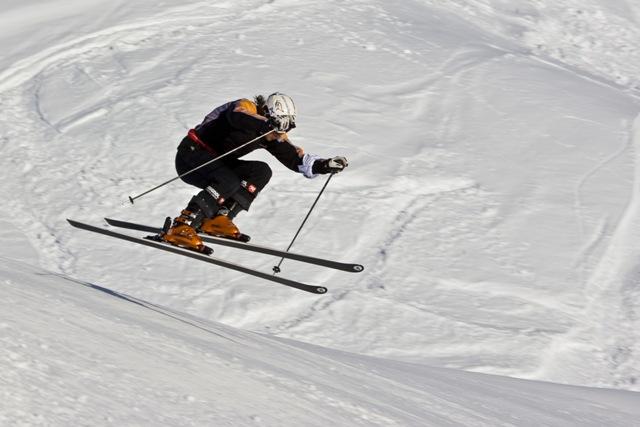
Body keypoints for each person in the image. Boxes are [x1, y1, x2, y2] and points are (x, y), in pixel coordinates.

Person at [162, 92, 348, 253]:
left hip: (216, 164)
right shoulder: (246, 108)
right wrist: (266, 125)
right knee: (228, 180)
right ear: (267, 114)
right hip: (191, 156)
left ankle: (219, 218)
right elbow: (237, 116)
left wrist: (324, 165)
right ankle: (182, 225)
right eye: (281, 125)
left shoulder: (271, 134)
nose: (281, 132)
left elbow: (295, 159)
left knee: (260, 171)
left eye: (288, 126)